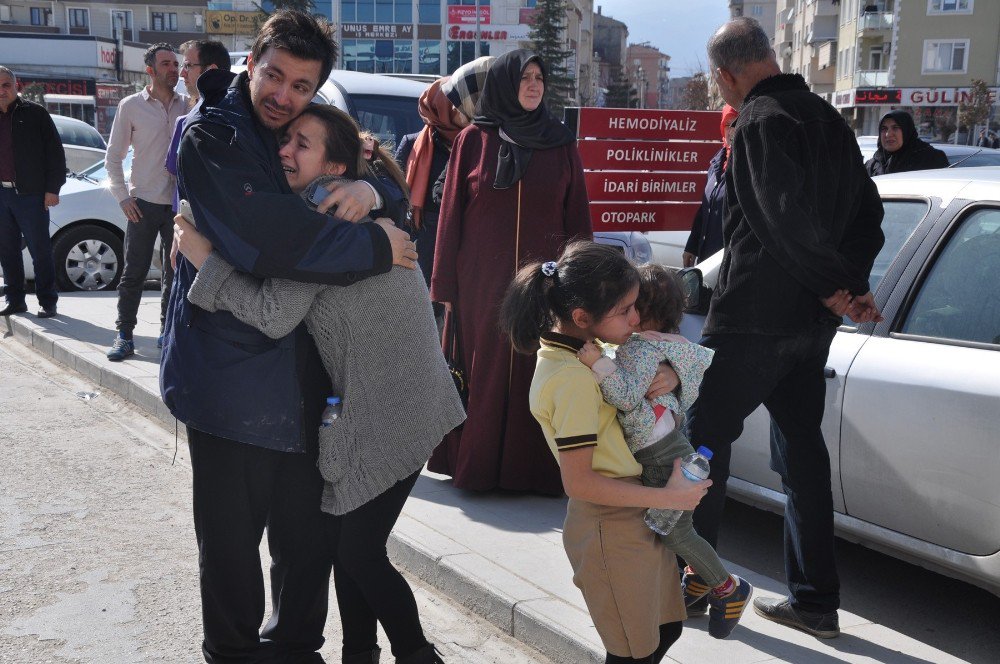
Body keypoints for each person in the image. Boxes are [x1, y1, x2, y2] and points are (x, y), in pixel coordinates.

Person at [160, 10, 416, 663]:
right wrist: (373, 243)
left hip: (310, 389)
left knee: (308, 551)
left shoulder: (307, 128)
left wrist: (371, 187)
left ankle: (298, 651)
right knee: (231, 553)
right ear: (252, 62)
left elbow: (380, 174)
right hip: (232, 387)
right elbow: (269, 240)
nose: (284, 97)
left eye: (301, 86)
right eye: (274, 76)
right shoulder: (212, 134)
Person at [176, 104, 462, 664]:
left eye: (300, 143)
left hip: (394, 411)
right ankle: (360, 652)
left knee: (357, 553)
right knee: (351, 548)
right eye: (285, 141)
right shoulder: (339, 204)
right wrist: (376, 192)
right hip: (398, 404)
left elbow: (274, 313)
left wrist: (203, 260)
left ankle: (418, 653)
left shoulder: (325, 216)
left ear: (333, 162)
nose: (284, 150)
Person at [687, 17, 885, 638]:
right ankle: (816, 603)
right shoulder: (830, 119)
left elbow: (779, 220)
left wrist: (835, 284)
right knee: (802, 451)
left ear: (725, 73)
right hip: (811, 321)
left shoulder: (759, 120)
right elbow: (870, 215)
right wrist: (846, 285)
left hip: (754, 317)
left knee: (702, 442)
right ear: (770, 55)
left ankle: (695, 586)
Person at [499, 241, 710, 663]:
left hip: (633, 517)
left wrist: (668, 371)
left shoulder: (586, 352)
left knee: (664, 631)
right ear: (581, 317)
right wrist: (668, 499)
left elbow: (636, 374)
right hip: (610, 524)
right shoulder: (572, 378)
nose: (636, 319)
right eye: (625, 310)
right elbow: (578, 482)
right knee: (634, 653)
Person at [429, 49, 592, 495]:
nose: (534, 85)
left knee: (536, 370)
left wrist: (583, 286)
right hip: (480, 283)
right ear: (503, 83)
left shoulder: (560, 143)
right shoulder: (473, 141)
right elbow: (450, 215)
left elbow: (577, 217)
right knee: (481, 370)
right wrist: (443, 283)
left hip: (544, 284)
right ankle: (476, 469)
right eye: (525, 77)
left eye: (540, 77)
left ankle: (531, 473)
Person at [576, 263, 752, 639]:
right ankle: (700, 579)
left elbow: (624, 396)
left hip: (660, 456)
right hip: (673, 448)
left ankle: (728, 588)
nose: (626, 313)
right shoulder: (669, 345)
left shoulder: (641, 349)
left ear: (641, 312)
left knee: (673, 533)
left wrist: (597, 363)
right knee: (675, 530)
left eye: (627, 306)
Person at [104, 43, 187, 360]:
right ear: (150, 70)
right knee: (133, 273)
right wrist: (123, 198)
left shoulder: (188, 105)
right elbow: (113, 159)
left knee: (174, 274)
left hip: (178, 207)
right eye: (166, 64)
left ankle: (167, 334)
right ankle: (124, 334)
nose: (174, 69)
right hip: (143, 203)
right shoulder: (131, 106)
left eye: (176, 64)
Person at [395, 56, 492, 291]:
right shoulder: (414, 144)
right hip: (425, 249)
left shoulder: (480, 141)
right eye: (452, 102)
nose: (457, 107)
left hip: (469, 247)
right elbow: (394, 191)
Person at [0, 66, 64, 319]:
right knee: (7, 250)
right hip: (1, 195)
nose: (1, 90)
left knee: (40, 250)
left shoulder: (35, 114)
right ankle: (15, 300)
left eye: (6, 85)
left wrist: (52, 190)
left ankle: (47, 302)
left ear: (16, 86)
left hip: (32, 195)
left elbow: (55, 154)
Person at [165, 40, 230, 214]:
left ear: (211, 70)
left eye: (188, 66)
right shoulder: (244, 112)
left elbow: (173, 167)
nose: (181, 73)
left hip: (196, 223)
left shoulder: (191, 121)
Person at [682, 104, 737, 267]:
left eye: (736, 124)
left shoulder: (747, 165)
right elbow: (706, 207)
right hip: (706, 260)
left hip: (729, 264)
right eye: (727, 124)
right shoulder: (716, 163)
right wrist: (692, 246)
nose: (731, 130)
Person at [865, 110, 949, 176]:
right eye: (884, 129)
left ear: (906, 131)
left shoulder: (931, 159)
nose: (888, 134)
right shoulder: (872, 165)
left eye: (895, 128)